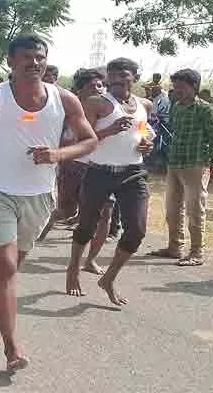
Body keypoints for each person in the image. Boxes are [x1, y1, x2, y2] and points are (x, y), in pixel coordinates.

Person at [0, 35, 98, 371]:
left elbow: (90, 141)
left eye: (40, 57)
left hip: (40, 196)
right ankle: (12, 348)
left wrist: (58, 154)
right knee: (7, 267)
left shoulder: (65, 99)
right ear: (11, 62)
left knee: (10, 266)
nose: (35, 62)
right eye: (27, 57)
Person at [66, 57, 155, 306]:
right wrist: (110, 130)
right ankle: (73, 268)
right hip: (100, 171)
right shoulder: (96, 103)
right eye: (112, 73)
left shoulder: (145, 105)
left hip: (133, 172)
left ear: (134, 77)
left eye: (123, 73)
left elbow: (143, 133)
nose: (116, 77)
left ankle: (109, 279)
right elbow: (82, 139)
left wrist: (147, 144)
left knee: (136, 230)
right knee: (86, 225)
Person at [37, 68, 109, 267]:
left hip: (102, 168)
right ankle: (48, 221)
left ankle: (90, 260)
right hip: (74, 165)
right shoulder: (69, 105)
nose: (97, 89)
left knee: (103, 215)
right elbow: (75, 138)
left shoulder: (111, 106)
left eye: (100, 85)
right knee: (68, 210)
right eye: (91, 85)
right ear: (81, 88)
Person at [148, 69, 213, 266]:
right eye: (175, 86)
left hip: (196, 164)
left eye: (181, 86)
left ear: (193, 87)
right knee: (172, 208)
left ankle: (196, 252)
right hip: (175, 163)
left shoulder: (205, 109)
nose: (177, 89)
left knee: (195, 209)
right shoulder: (176, 106)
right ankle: (174, 247)